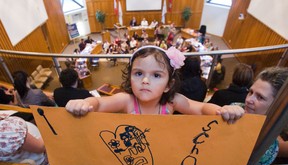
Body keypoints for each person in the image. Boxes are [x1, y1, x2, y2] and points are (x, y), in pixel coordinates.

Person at [66, 45, 244, 124]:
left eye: (156, 75)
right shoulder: (126, 101)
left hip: (162, 150)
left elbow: (201, 109)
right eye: (138, 73)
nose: (145, 80)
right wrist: (85, 103)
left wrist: (222, 111)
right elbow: (99, 103)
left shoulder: (172, 102)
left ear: (168, 84)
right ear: (130, 78)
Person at [244, 67, 288, 165]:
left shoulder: (265, 148)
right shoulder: (236, 107)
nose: (249, 100)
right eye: (250, 92)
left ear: (276, 106)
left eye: (260, 97)